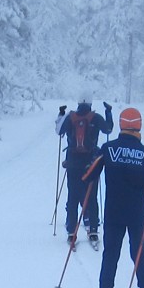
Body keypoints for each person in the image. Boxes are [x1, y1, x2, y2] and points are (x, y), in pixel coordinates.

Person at [81, 105, 144, 288]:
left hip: (113, 211)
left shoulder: (109, 149)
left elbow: (89, 175)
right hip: (136, 212)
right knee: (138, 251)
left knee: (111, 252)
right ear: (139, 126)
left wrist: (89, 175)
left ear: (121, 125)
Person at [55, 96, 112, 245]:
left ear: (79, 103)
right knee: (91, 197)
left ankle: (71, 232)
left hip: (73, 163)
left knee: (72, 197)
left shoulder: (70, 117)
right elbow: (108, 129)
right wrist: (108, 112)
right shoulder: (95, 117)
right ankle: (93, 230)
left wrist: (61, 114)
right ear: (90, 103)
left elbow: (59, 131)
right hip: (91, 164)